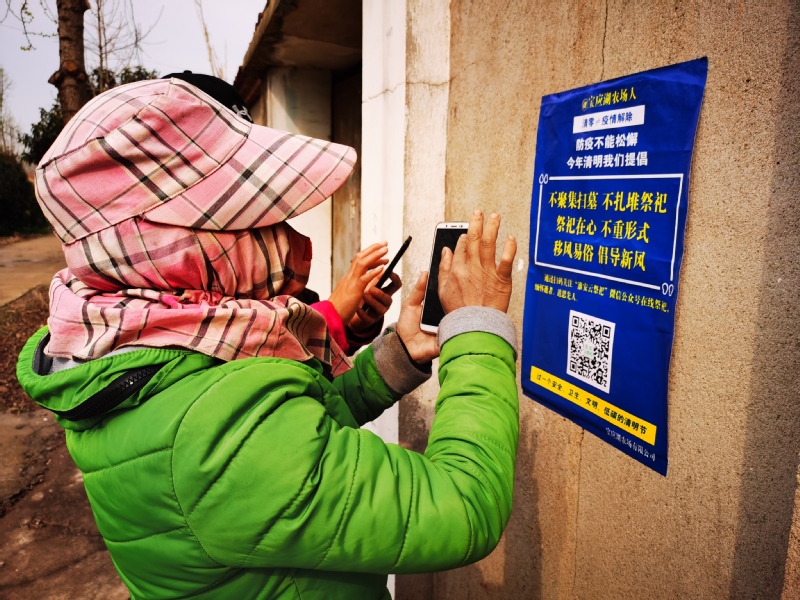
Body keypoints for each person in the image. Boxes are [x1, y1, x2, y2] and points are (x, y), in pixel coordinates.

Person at [17, 73, 519, 600]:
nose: (294, 240)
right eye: (257, 221)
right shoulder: (208, 437)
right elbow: (462, 506)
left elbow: (297, 440)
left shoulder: (131, 346)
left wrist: (397, 356)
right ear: (175, 247)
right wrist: (477, 327)